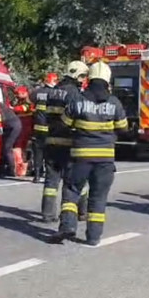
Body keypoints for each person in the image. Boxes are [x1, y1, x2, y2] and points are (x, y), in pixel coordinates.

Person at [49, 61, 128, 245]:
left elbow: (63, 124)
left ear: (89, 79)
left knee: (71, 191)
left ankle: (67, 227)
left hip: (80, 158)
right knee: (98, 198)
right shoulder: (114, 102)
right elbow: (123, 128)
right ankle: (93, 237)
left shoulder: (78, 100)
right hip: (105, 160)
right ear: (108, 80)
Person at [40, 62, 90, 223]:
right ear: (76, 75)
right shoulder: (74, 93)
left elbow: (45, 115)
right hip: (69, 142)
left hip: (51, 141)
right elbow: (78, 116)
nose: (83, 80)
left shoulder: (53, 92)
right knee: (75, 181)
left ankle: (47, 214)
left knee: (51, 181)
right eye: (82, 76)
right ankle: (80, 212)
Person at [30, 73, 58, 183]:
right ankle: (48, 177)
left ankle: (37, 176)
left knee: (38, 152)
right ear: (54, 81)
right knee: (49, 153)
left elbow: (30, 100)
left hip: (38, 128)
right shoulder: (54, 93)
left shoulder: (37, 92)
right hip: (49, 128)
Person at [0, 99, 22, 177]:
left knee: (7, 147)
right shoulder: (0, 105)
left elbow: (3, 119)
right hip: (12, 126)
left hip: (13, 127)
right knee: (5, 146)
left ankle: (12, 170)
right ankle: (3, 167)